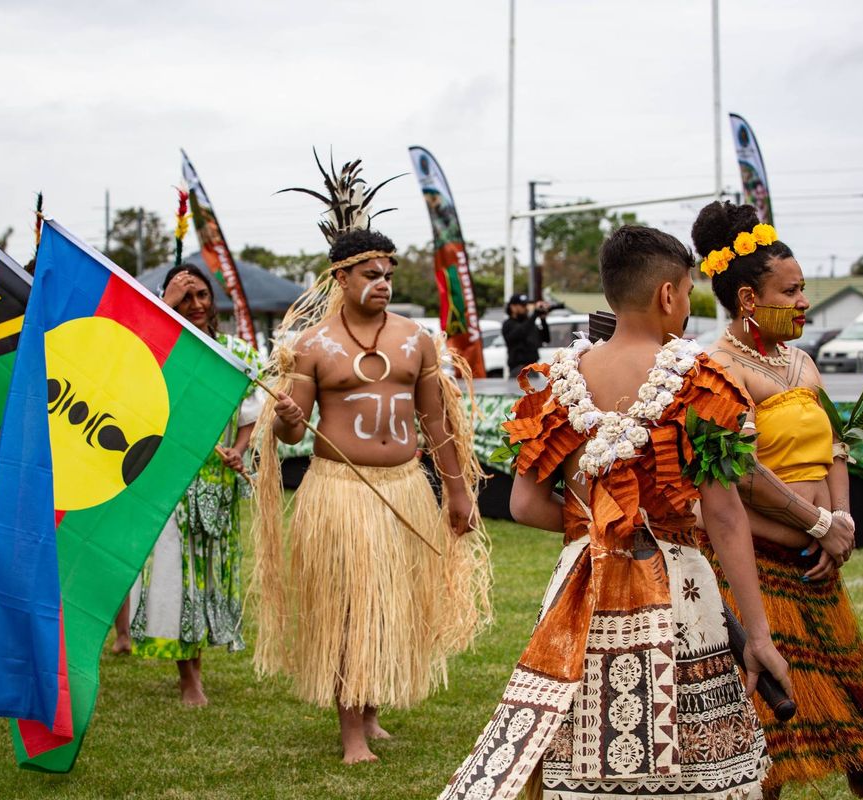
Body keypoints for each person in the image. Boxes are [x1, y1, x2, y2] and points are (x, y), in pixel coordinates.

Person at [441, 225, 789, 800]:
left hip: (582, 582)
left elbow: (524, 506)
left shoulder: (551, 384)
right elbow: (725, 519)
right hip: (678, 586)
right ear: (668, 295)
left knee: (583, 743)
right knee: (696, 755)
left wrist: (592, 527)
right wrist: (758, 635)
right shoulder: (704, 381)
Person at [252, 154, 491, 764]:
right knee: (347, 607)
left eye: (387, 272)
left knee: (388, 604)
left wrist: (457, 491)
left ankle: (372, 711)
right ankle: (350, 731)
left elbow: (437, 422)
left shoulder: (416, 339)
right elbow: (291, 427)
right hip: (340, 490)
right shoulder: (315, 345)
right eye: (369, 273)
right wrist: (281, 418)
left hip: (407, 483)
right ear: (342, 279)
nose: (382, 281)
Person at [691, 200, 863, 798]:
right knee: (763, 739)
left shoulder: (803, 361)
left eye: (804, 289)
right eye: (791, 292)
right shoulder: (716, 367)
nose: (804, 302)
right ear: (747, 301)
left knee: (837, 729)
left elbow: (835, 445)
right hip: (756, 564)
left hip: (815, 565)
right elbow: (737, 472)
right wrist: (815, 522)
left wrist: (841, 519)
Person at [124, 264, 264, 706]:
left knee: (205, 577)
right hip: (168, 481)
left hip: (217, 483)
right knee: (174, 575)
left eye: (202, 294)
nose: (198, 305)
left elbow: (252, 415)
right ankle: (189, 677)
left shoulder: (233, 352)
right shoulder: (155, 352)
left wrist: (240, 449)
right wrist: (165, 310)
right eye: (186, 297)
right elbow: (131, 388)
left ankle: (199, 658)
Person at [502, 293, 550, 374]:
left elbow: (546, 339)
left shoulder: (529, 323)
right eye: (522, 306)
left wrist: (543, 320)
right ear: (512, 307)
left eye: (526, 305)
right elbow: (520, 332)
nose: (526, 308)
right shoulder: (508, 324)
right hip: (518, 368)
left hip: (533, 366)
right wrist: (534, 315)